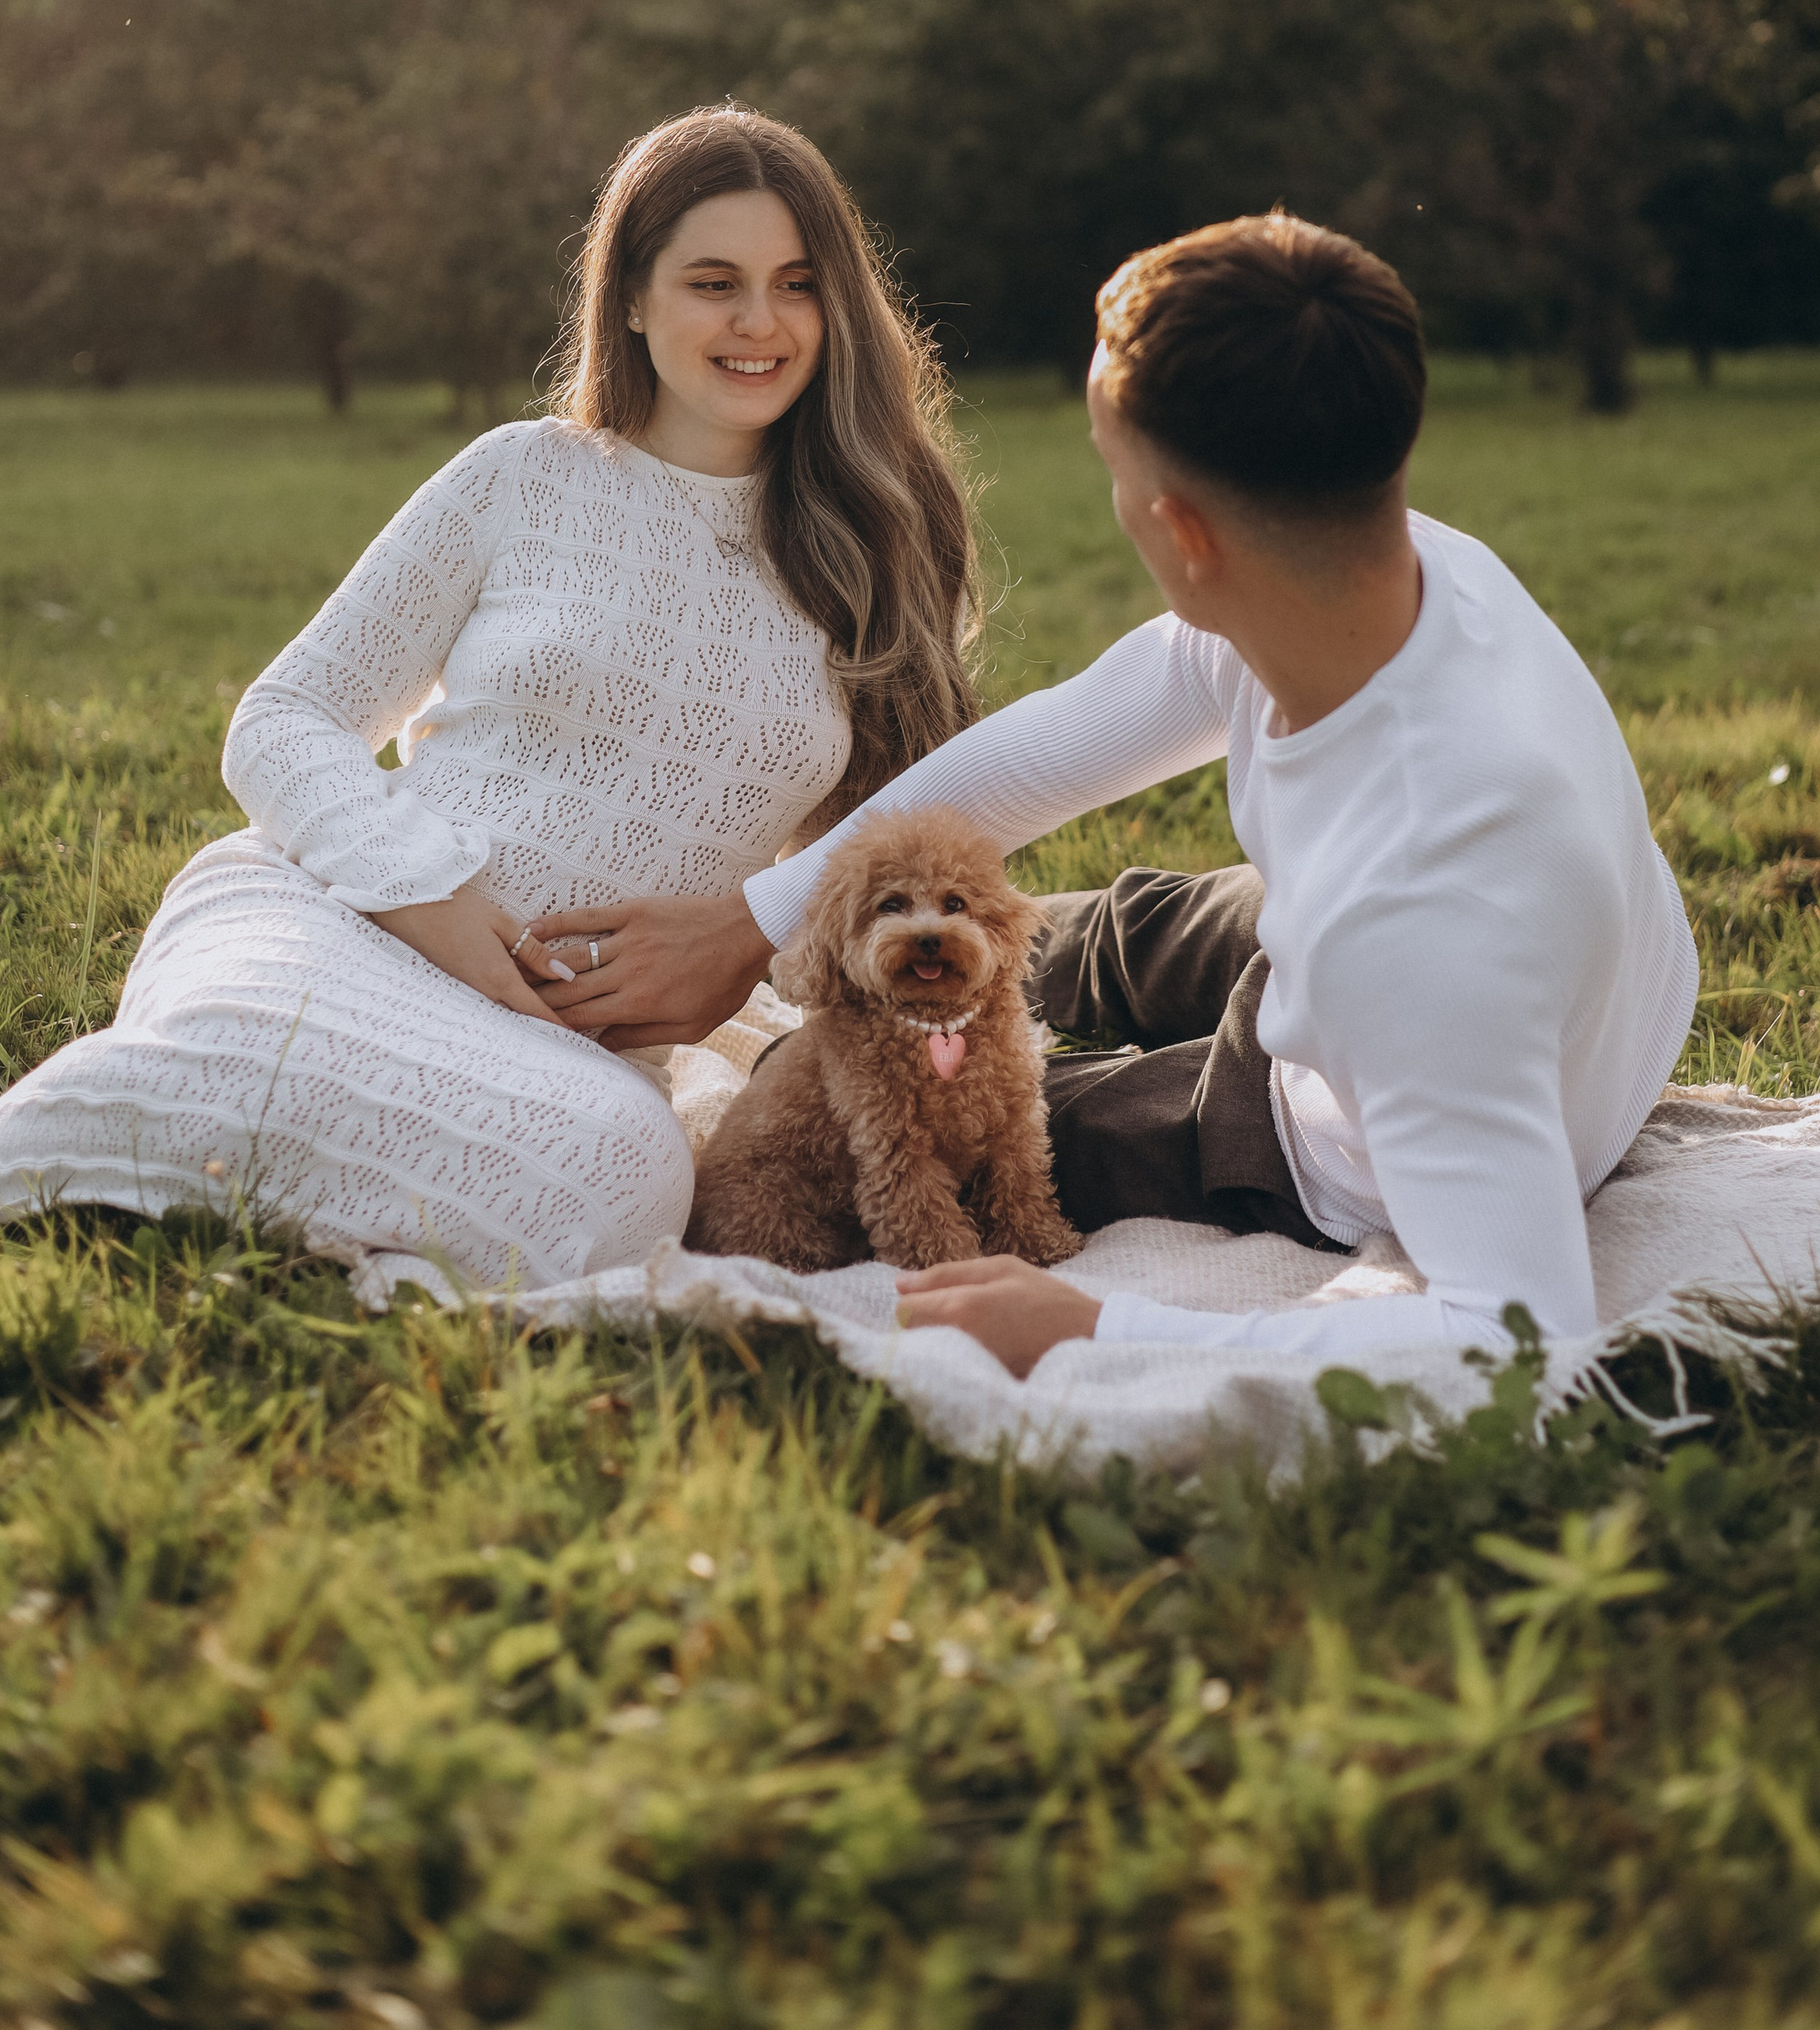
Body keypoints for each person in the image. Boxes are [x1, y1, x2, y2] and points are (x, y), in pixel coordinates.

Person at [564, 212, 1697, 1375]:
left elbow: (1520, 1342)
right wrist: (765, 918)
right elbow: (1057, 745)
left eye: (1114, 469)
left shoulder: (1408, 928)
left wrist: (1100, 1326)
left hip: (1376, 1100)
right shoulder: (1406, 567)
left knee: (993, 1106)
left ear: (1186, 532)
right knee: (1085, 927)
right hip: (1523, 964)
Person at [0, 109, 979, 1288]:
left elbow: (902, 848)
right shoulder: (526, 476)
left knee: (627, 1181)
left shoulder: (877, 548)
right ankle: (165, 1147)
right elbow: (286, 717)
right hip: (345, 922)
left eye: (797, 285)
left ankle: (228, 1176)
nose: (759, 324)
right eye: (713, 282)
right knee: (242, 1035)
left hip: (576, 1044)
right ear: (628, 295)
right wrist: (445, 910)